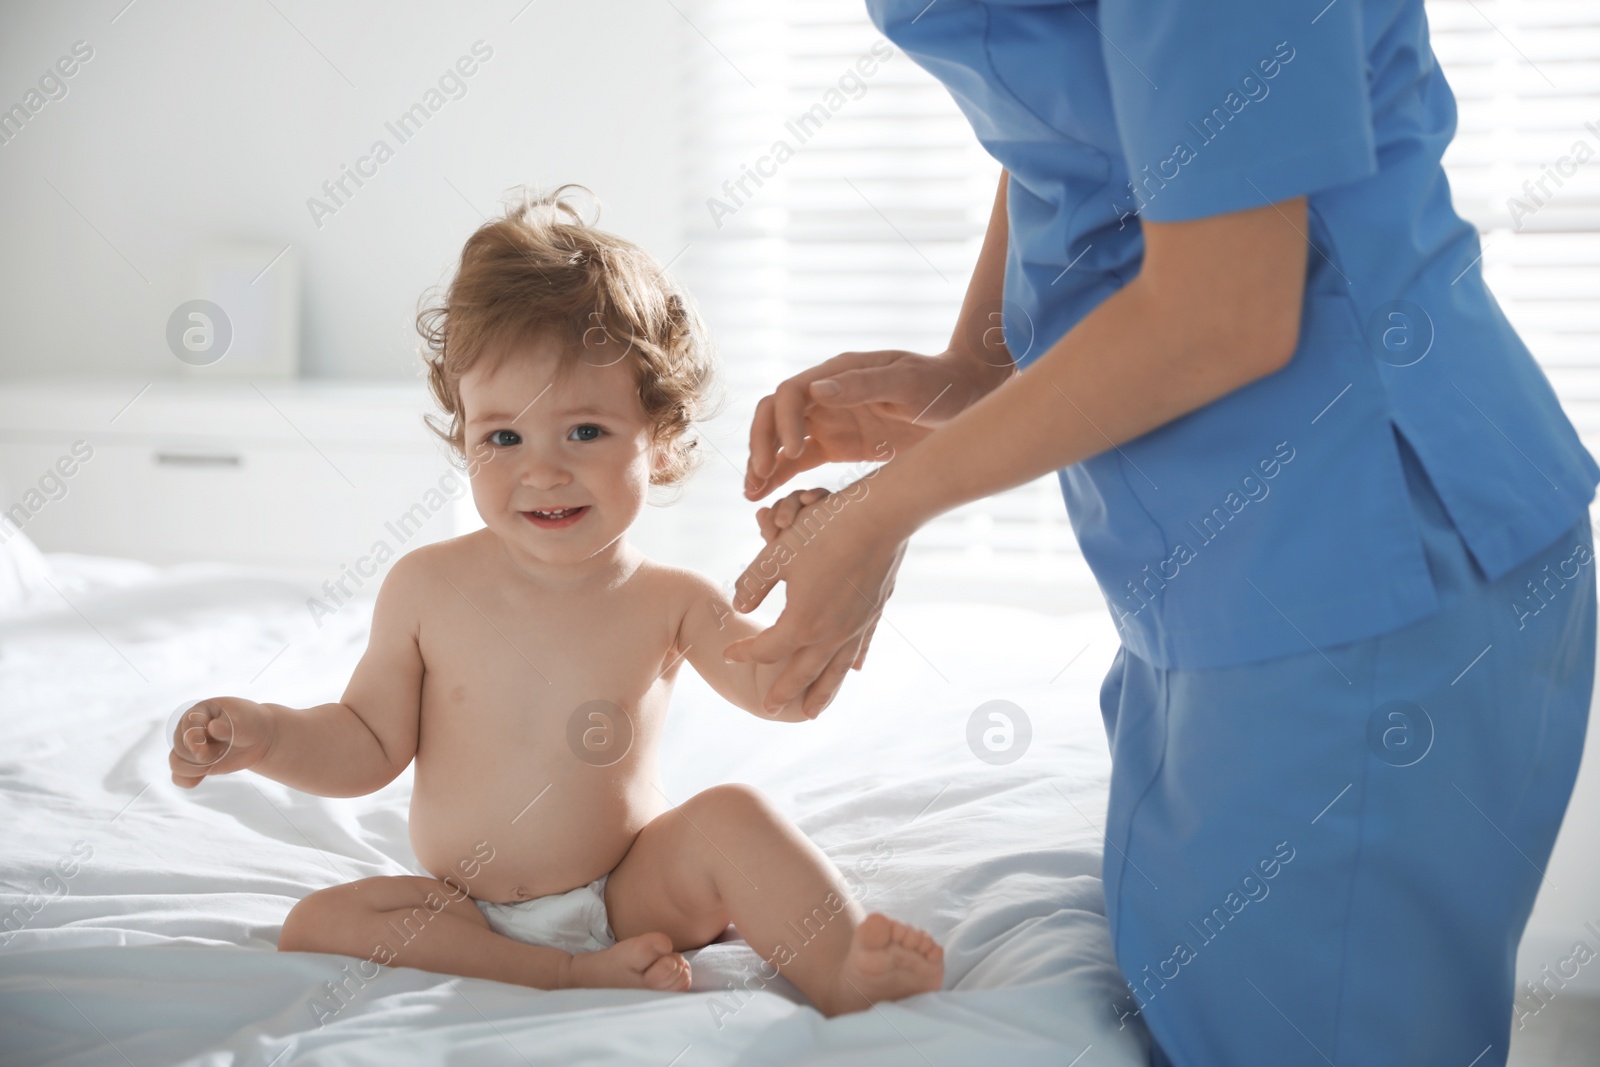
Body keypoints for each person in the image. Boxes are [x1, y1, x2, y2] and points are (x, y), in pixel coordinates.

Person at [727, 1, 1599, 1063]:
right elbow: (1102, 108)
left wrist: (886, 513)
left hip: (1360, 551)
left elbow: (1223, 306)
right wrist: (978, 364)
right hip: (1221, 584)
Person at [167, 186, 943, 1017]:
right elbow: (364, 742)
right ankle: (558, 976)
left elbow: (782, 692)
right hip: (464, 907)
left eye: (584, 432)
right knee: (318, 919)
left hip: (630, 894)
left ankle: (842, 966)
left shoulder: (672, 600)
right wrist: (264, 733)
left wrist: (814, 568)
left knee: (731, 818)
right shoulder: (425, 586)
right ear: (463, 433)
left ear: (663, 437)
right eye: (503, 437)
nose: (542, 470)